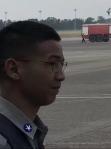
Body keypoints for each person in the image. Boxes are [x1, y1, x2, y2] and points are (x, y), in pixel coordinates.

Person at [0, 21, 66, 149]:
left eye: (61, 65)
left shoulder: (25, 129)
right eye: (52, 64)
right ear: (13, 69)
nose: (61, 76)